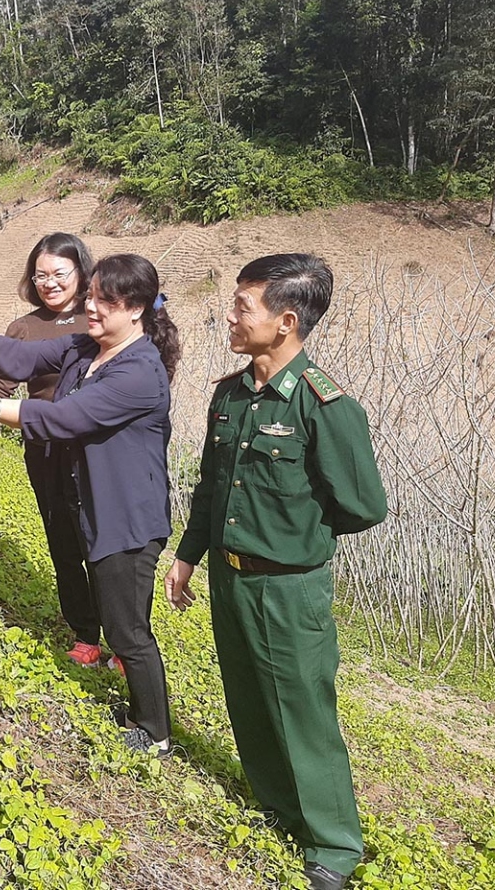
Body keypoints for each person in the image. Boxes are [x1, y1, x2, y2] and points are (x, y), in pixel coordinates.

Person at [163, 254, 387, 890]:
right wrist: (188, 555)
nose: (231, 316)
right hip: (230, 578)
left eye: (244, 306)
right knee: (249, 697)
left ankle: (334, 847)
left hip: (290, 586)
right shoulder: (230, 395)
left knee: (304, 710)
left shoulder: (326, 406)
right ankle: (278, 807)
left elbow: (364, 505)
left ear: (286, 321)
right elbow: (212, 486)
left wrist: (297, 539)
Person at [0, 254, 182, 755]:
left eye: (105, 301)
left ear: (136, 310)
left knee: (127, 631)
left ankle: (155, 733)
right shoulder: (89, 347)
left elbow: (64, 417)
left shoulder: (139, 372)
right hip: (92, 505)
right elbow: (20, 357)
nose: (92, 307)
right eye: (92, 296)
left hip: (127, 517)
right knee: (117, 619)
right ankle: (139, 714)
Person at [0, 233, 103, 667]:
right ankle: (87, 635)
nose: (49, 283)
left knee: (102, 542)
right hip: (46, 453)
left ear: (81, 273)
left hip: (95, 452)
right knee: (64, 543)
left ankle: (125, 638)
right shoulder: (25, 328)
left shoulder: (99, 320)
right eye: (40, 275)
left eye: (59, 274)